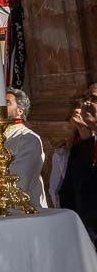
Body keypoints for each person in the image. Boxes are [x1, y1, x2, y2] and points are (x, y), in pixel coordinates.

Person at [60, 83, 97, 240]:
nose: (86, 103)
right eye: (86, 98)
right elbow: (68, 192)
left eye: (94, 98)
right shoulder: (81, 148)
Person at [48, 106, 90, 208]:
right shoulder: (63, 151)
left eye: (83, 116)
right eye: (76, 116)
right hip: (73, 208)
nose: (79, 120)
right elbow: (55, 188)